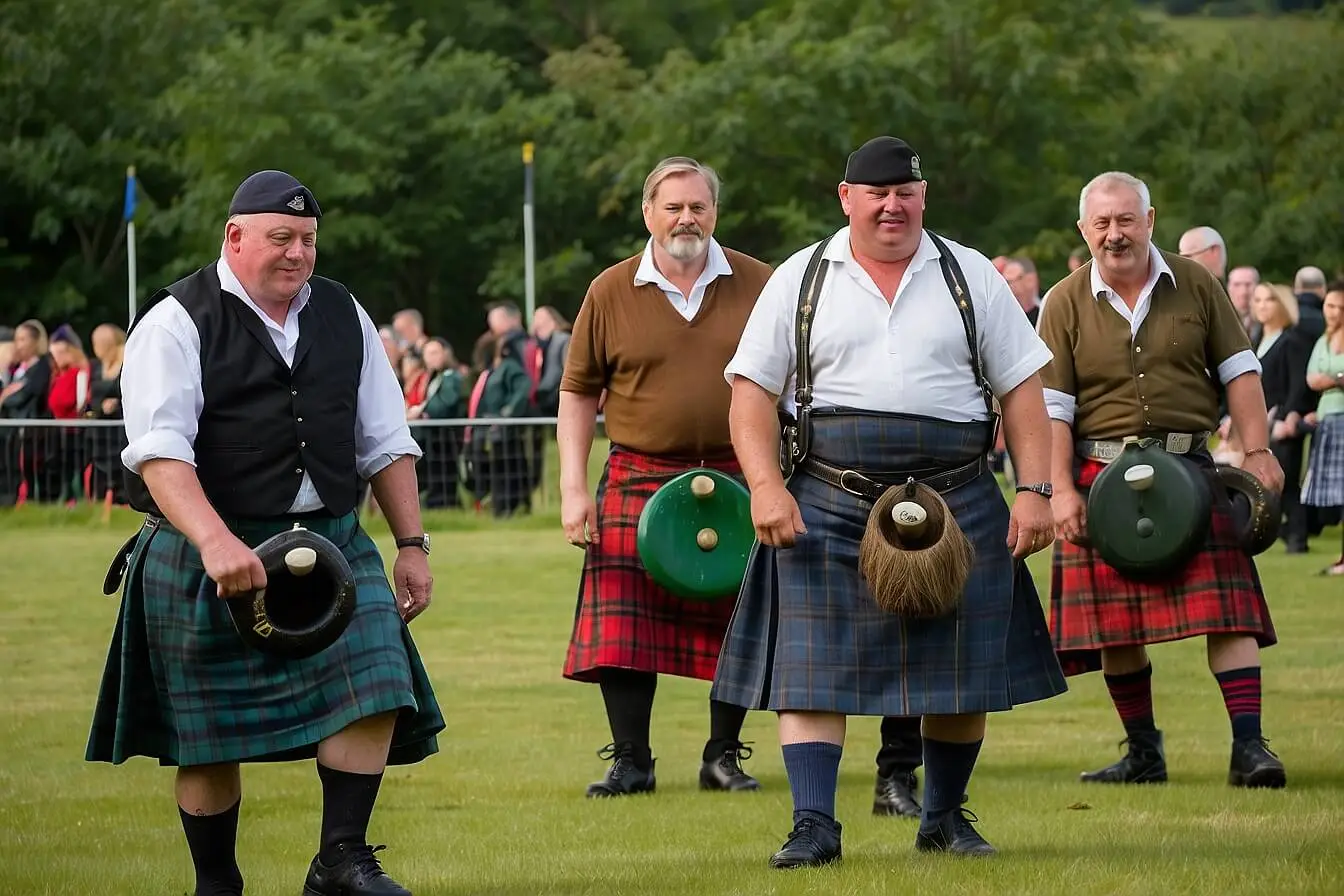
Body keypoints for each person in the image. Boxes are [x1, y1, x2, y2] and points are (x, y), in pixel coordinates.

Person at [84, 170, 445, 896]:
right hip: (207, 548)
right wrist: (215, 540)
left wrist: (410, 544)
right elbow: (160, 452)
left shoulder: (342, 311)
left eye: (308, 239)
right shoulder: (176, 320)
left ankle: (341, 860)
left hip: (333, 541)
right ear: (235, 236)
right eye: (281, 238)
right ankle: (217, 881)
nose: (297, 253)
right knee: (207, 739)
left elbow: (384, 439)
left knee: (378, 683)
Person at [711, 136, 1067, 867]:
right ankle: (814, 825)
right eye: (876, 194)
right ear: (847, 198)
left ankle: (943, 819)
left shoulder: (970, 274)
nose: (891, 206)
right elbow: (750, 396)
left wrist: (1036, 491)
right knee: (812, 673)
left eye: (905, 193)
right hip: (828, 496)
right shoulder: (801, 277)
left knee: (960, 675)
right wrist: (767, 486)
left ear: (923, 196)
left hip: (958, 495)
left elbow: (1023, 392)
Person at [1037, 171, 1286, 790]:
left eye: (1126, 220)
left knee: (1230, 614)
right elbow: (1053, 410)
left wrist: (1258, 451)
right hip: (1099, 475)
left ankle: (1250, 749)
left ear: (1150, 220)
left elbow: (1240, 372)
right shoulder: (1063, 301)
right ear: (1083, 230)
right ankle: (1144, 754)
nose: (1115, 234)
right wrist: (1061, 490)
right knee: (1115, 626)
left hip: (1191, 469)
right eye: (1102, 223)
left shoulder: (1196, 282)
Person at [557, 156, 774, 797]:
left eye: (698, 206)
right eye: (673, 206)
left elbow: (790, 382)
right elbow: (578, 393)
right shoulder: (610, 290)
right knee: (624, 629)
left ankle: (722, 756)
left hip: (736, 474)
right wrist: (573, 488)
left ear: (715, 212)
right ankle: (632, 761)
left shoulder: (760, 283)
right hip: (638, 474)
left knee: (739, 620)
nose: (686, 218)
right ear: (648, 212)